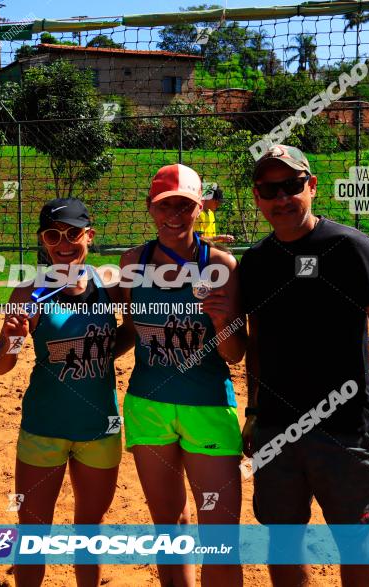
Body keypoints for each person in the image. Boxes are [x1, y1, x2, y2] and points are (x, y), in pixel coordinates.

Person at [239, 145, 369, 587]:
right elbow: (255, 342)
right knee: (282, 542)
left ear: (311, 186)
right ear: (257, 197)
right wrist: (254, 412)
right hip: (276, 429)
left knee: (355, 540)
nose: (281, 198)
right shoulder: (255, 262)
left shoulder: (351, 248)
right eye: (268, 189)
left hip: (343, 425)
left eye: (292, 186)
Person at [0, 198, 133, 587]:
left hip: (99, 426)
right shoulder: (29, 292)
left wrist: (98, 351)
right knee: (34, 530)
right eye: (53, 235)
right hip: (43, 426)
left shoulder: (112, 286)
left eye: (73, 233)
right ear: (43, 240)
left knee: (90, 529)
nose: (64, 243)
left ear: (89, 235)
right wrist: (16, 340)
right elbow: (2, 365)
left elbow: (129, 333)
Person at [119, 164, 247, 587]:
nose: (174, 214)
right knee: (169, 530)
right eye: (165, 205)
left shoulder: (222, 265)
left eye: (184, 205)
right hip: (147, 406)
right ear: (150, 208)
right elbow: (130, 331)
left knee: (220, 538)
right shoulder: (133, 262)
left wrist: (222, 323)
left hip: (207, 406)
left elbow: (234, 355)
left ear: (199, 208)